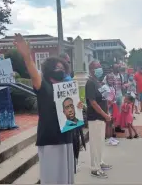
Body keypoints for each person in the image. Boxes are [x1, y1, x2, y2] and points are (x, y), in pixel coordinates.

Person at [13, 33, 83, 184]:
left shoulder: (64, 88)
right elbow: (33, 72)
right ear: (50, 69)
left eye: (63, 68)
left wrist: (78, 107)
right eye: (57, 67)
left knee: (66, 179)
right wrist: (26, 56)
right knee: (52, 179)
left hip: (66, 138)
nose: (61, 70)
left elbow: (72, 113)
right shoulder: (43, 85)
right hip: (50, 140)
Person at [85, 60, 112, 178]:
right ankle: (95, 168)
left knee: (100, 142)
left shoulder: (98, 82)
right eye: (98, 67)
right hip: (95, 117)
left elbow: (103, 98)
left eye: (100, 66)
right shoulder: (90, 83)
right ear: (92, 69)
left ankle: (100, 162)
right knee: (95, 143)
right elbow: (92, 102)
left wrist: (107, 111)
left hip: (102, 117)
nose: (100, 69)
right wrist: (104, 114)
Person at [0, 40, 18, 132]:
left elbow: (8, 71)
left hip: (4, 88)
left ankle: (8, 123)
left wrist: (12, 74)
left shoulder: (3, 58)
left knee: (6, 104)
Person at [103, 64, 125, 133]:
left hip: (119, 96)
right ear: (113, 68)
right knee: (110, 113)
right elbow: (103, 84)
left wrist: (125, 86)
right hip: (111, 98)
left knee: (118, 113)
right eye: (116, 68)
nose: (118, 69)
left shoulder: (121, 76)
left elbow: (122, 85)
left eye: (118, 68)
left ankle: (117, 127)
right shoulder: (108, 76)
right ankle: (111, 129)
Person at [105, 74, 119, 146]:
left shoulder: (112, 87)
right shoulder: (104, 87)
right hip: (107, 107)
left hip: (112, 107)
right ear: (107, 79)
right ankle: (108, 139)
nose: (111, 80)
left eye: (112, 79)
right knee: (108, 123)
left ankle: (111, 137)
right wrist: (109, 102)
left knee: (111, 123)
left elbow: (114, 96)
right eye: (110, 79)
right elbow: (103, 98)